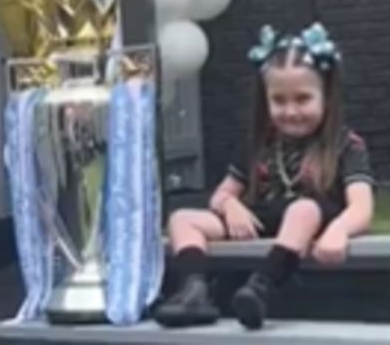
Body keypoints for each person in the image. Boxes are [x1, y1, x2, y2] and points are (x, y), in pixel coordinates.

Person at [153, 22, 376, 330]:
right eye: (279, 101)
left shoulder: (346, 145)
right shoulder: (259, 144)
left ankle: (261, 287)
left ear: (327, 96)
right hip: (264, 217)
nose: (290, 111)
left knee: (303, 209)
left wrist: (338, 230)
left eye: (302, 99)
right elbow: (222, 194)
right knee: (182, 219)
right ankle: (194, 289)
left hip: (314, 216)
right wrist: (230, 205)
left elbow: (362, 208)